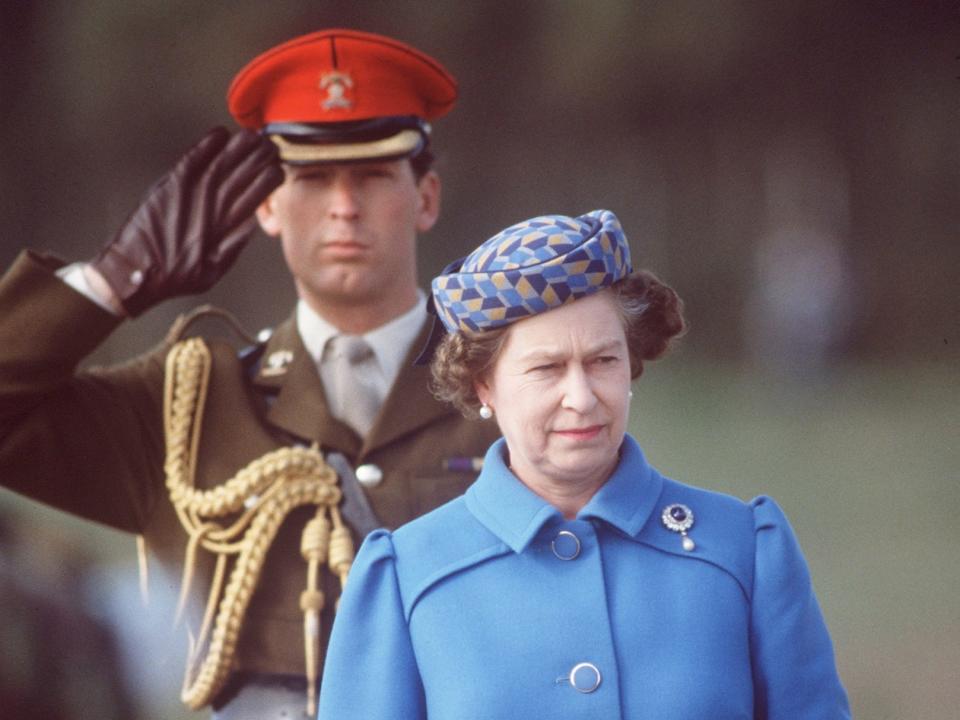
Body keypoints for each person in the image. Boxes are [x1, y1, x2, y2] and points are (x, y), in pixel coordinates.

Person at [0, 28, 499, 719]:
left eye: (374, 175)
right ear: (265, 205)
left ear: (427, 197)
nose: (344, 207)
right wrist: (112, 283)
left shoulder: (509, 392)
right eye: (313, 179)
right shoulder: (187, 406)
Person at [317, 209, 852, 719]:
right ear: (484, 385)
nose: (582, 396)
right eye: (547, 368)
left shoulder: (744, 551)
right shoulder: (406, 577)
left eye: (603, 360)